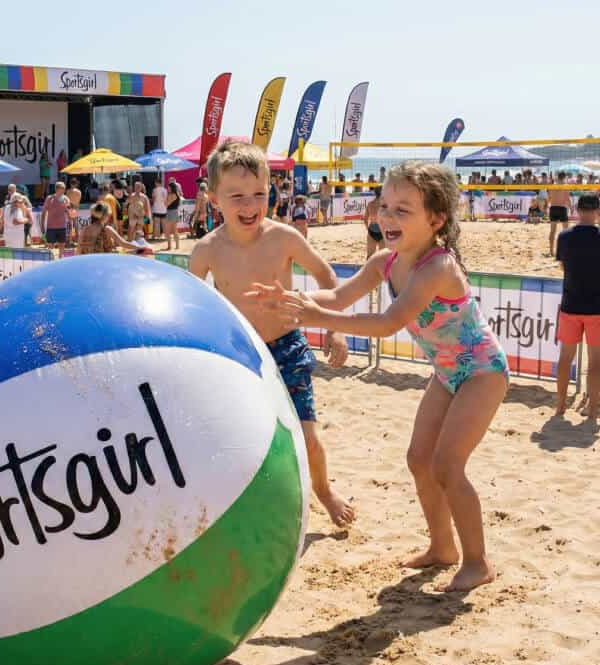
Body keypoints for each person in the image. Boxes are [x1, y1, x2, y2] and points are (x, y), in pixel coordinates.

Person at [252, 162, 508, 591]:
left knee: (447, 464)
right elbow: (338, 293)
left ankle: (477, 563)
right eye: (384, 206)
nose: (387, 217)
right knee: (417, 460)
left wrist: (317, 315)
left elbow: (390, 322)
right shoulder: (385, 263)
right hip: (447, 373)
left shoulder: (438, 267)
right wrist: (295, 296)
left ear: (436, 219)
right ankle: (442, 549)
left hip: (482, 371)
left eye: (403, 210)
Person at [189, 140, 355, 529]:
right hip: (238, 352)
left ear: (272, 191)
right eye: (237, 196)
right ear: (215, 199)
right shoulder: (206, 250)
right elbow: (190, 303)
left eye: (259, 194)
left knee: (308, 436)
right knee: (243, 436)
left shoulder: (284, 237)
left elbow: (327, 277)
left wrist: (334, 329)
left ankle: (324, 491)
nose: (250, 205)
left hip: (288, 345)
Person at [554, 193, 600, 420]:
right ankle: (592, 411)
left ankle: (560, 406)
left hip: (571, 304)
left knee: (565, 358)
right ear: (597, 212)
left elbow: (563, 266)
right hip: (596, 308)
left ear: (577, 210)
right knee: (595, 362)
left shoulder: (564, 236)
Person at [76, 201, 148, 255]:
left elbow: (79, 249)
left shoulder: (84, 229)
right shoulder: (107, 229)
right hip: (103, 262)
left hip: (87, 262)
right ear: (105, 216)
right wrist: (140, 247)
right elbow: (123, 243)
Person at [41, 181, 71, 257]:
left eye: (64, 189)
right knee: (50, 247)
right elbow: (43, 212)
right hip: (51, 227)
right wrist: (42, 225)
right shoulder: (49, 198)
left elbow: (69, 213)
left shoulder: (66, 199)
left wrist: (70, 223)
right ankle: (51, 261)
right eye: (63, 189)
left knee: (62, 246)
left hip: (62, 227)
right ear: (57, 189)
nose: (64, 191)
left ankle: (60, 258)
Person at [548, 172, 572, 257]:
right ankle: (566, 250)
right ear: (564, 177)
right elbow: (567, 199)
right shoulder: (565, 186)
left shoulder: (552, 186)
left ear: (557, 177)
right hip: (562, 208)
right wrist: (571, 208)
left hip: (553, 208)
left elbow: (550, 198)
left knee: (552, 231)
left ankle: (551, 251)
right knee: (566, 231)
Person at [364, 186, 385, 256]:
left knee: (369, 256)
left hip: (372, 230)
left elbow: (365, 219)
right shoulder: (385, 205)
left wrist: (368, 229)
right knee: (383, 258)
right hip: (382, 230)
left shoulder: (370, 204)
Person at [163, 179, 182, 251]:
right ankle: (176, 246)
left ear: (171, 188)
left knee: (169, 231)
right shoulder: (176, 195)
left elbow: (166, 204)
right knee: (174, 230)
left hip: (171, 212)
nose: (167, 189)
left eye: (168, 187)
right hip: (173, 212)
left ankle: (170, 246)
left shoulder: (172, 195)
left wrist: (166, 199)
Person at [66, 178, 82, 244]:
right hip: (75, 209)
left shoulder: (68, 191)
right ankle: (77, 240)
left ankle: (70, 240)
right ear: (76, 184)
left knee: (70, 225)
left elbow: (67, 201)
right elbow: (78, 201)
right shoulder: (79, 192)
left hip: (70, 209)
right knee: (76, 225)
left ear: (70, 184)